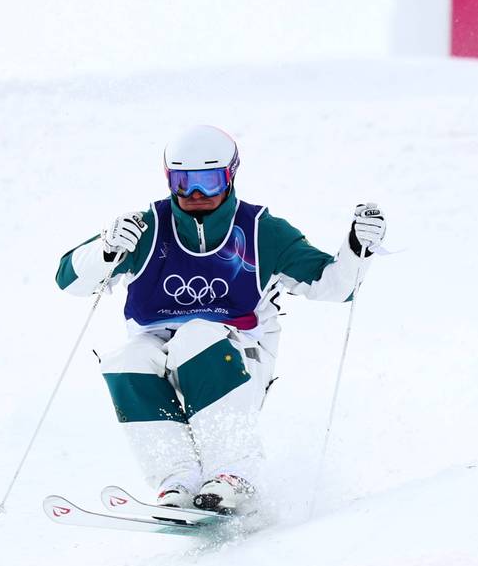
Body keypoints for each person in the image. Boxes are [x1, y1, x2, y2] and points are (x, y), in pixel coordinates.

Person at [54, 125, 385, 514]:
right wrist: (106, 252)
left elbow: (334, 286)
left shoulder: (262, 232)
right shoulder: (147, 228)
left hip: (237, 357)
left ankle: (233, 474)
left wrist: (357, 249)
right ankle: (177, 479)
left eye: (208, 182)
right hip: (161, 356)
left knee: (197, 335)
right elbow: (69, 280)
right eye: (183, 182)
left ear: (229, 176)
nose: (195, 195)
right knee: (124, 359)